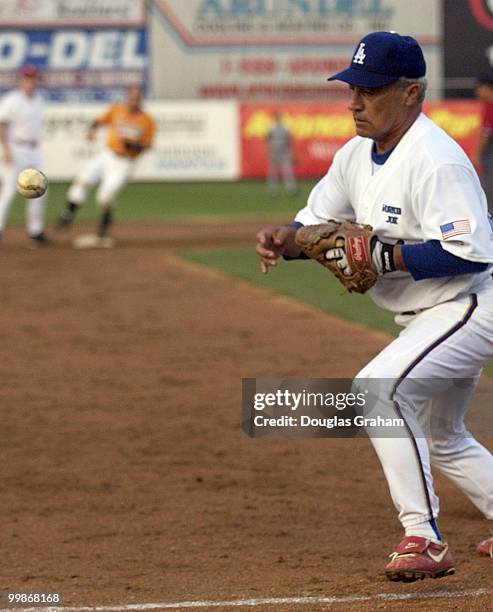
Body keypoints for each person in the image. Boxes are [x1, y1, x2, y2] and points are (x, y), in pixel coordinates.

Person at [256, 32, 493, 581]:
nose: (354, 102)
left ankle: (423, 537)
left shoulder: (436, 160)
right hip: (432, 312)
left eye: (370, 89)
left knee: (378, 388)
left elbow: (472, 254)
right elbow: (311, 225)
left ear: (411, 93)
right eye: (352, 88)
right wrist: (282, 239)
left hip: (470, 304)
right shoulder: (354, 154)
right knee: (442, 436)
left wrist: (385, 257)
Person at [55, 86, 155, 247]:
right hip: (107, 155)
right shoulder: (117, 110)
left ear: (140, 100)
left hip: (125, 162)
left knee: (105, 196)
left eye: (136, 98)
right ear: (126, 98)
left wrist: (134, 146)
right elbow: (98, 121)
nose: (133, 101)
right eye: (131, 98)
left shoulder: (147, 120)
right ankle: (67, 216)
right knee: (82, 181)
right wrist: (91, 131)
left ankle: (102, 230)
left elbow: (147, 146)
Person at [0, 65, 50, 246]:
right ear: (21, 81)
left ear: (37, 80)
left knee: (40, 190)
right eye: (26, 78)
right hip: (16, 148)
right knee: (9, 191)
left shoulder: (39, 100)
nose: (30, 82)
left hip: (34, 150)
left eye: (33, 78)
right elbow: (2, 124)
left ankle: (35, 231)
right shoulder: (12, 100)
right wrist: (6, 150)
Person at [265, 111, 298, 196]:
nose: (278, 118)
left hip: (284, 152)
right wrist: (267, 151)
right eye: (277, 116)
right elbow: (267, 139)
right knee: (273, 173)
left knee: (287, 171)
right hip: (274, 152)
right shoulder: (271, 127)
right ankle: (273, 190)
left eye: (279, 116)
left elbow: (289, 140)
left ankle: (291, 189)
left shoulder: (285, 127)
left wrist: (292, 152)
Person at [473, 76, 493, 214]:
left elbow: (487, 132)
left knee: (488, 186)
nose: (477, 92)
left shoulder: (490, 106)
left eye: (479, 88)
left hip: (491, 152)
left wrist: (478, 152)